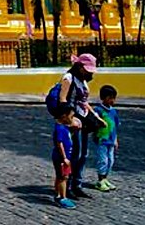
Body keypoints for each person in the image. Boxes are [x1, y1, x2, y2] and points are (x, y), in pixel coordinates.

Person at [58, 53, 104, 198]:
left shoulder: (82, 81)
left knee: (83, 154)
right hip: (73, 121)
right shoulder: (69, 78)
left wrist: (95, 116)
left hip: (83, 120)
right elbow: (62, 99)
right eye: (88, 70)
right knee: (74, 154)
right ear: (79, 67)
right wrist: (70, 121)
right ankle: (69, 184)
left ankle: (77, 184)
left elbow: (83, 101)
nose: (90, 74)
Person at [93, 85, 121, 191]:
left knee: (110, 160)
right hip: (102, 140)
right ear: (104, 98)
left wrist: (116, 139)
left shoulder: (113, 112)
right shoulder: (98, 110)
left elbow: (115, 126)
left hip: (111, 140)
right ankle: (100, 180)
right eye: (110, 98)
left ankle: (105, 178)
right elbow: (94, 123)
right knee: (102, 160)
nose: (113, 100)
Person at [51, 102, 77, 210]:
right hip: (62, 158)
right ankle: (63, 197)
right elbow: (59, 143)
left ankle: (57, 194)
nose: (72, 118)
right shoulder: (60, 129)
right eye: (71, 116)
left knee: (59, 176)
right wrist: (65, 157)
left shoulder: (63, 127)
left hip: (63, 157)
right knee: (64, 177)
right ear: (64, 116)